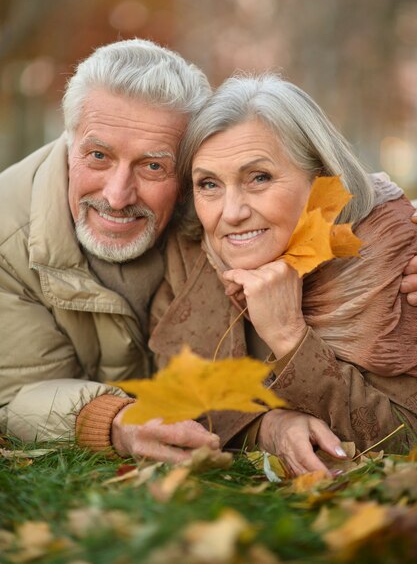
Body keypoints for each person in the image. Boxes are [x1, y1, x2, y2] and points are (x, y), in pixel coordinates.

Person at [149, 73, 417, 475]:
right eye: (209, 184)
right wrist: (266, 427)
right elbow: (172, 386)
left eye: (259, 178)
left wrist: (290, 337)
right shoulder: (193, 251)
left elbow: (406, 439)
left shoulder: (390, 259)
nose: (231, 212)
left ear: (321, 178)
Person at [0, 38, 222, 462]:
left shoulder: (219, 218)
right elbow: (15, 394)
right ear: (69, 144)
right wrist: (116, 421)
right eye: (99, 156)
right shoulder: (4, 236)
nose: (118, 196)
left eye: (153, 166)